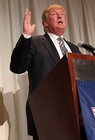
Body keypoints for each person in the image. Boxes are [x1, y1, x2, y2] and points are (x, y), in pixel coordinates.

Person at [10, 4, 81, 140]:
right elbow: (17, 67)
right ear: (45, 23)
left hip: (76, 114)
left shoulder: (74, 48)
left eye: (61, 13)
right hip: (46, 114)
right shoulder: (35, 42)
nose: (60, 16)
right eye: (54, 14)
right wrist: (26, 36)